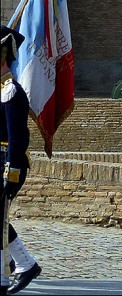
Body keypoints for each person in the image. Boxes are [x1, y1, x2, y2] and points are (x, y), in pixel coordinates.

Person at [1, 25, 42, 296]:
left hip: (7, 162)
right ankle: (14, 271)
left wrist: (11, 173)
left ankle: (20, 268)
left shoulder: (11, 91)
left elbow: (17, 139)